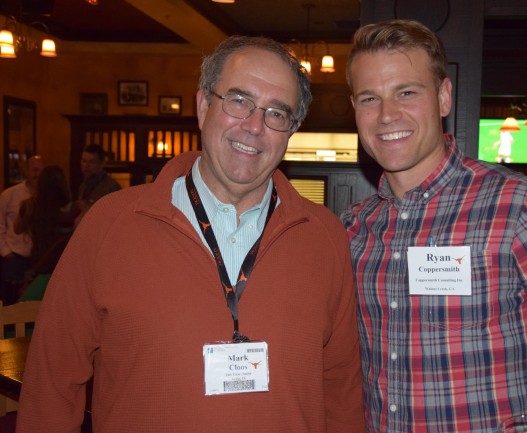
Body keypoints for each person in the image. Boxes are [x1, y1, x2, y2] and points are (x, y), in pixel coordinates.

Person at [17, 35, 364, 433]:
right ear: (203, 106)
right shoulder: (109, 225)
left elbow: (341, 393)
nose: (254, 126)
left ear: (292, 130)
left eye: (276, 113)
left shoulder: (325, 238)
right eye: (238, 101)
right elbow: (52, 382)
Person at [341, 19, 527, 433]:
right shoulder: (354, 229)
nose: (387, 115)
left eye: (407, 92)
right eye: (369, 98)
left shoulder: (520, 206)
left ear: (444, 96)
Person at [14, 165, 75, 301]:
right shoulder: (72, 208)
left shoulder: (31, 205)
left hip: (38, 265)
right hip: (63, 266)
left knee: (29, 309)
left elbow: (17, 229)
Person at [0, 155, 44, 305]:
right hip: (15, 258)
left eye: (41, 171)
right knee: (11, 304)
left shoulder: (48, 197)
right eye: (34, 170)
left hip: (38, 258)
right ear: (26, 171)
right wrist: (6, 251)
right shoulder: (9, 194)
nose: (38, 174)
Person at [75, 143, 121, 224]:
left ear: (102, 163)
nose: (86, 166)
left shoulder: (111, 186)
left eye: (92, 162)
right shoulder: (83, 185)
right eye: (84, 161)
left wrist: (89, 208)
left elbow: (116, 216)